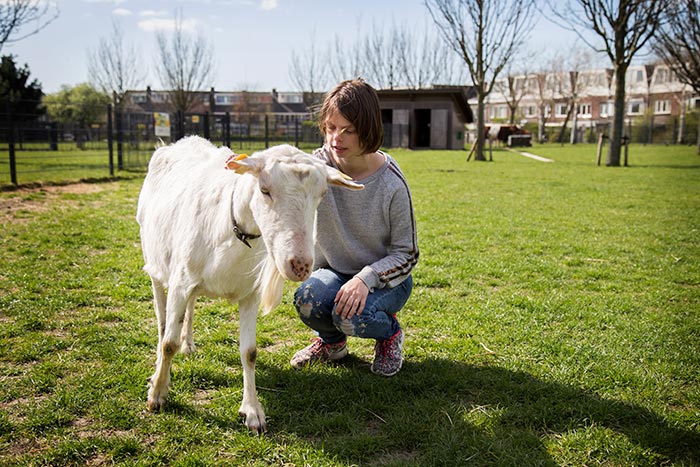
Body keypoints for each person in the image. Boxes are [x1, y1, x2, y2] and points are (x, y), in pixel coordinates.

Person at [290, 79, 419, 376]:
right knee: (307, 300)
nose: (337, 138)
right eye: (331, 127)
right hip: (334, 272)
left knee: (351, 316)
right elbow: (282, 173)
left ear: (369, 129)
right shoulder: (317, 168)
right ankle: (332, 345)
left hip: (385, 282)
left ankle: (389, 335)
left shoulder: (391, 184)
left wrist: (366, 279)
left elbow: (407, 254)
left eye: (349, 130)